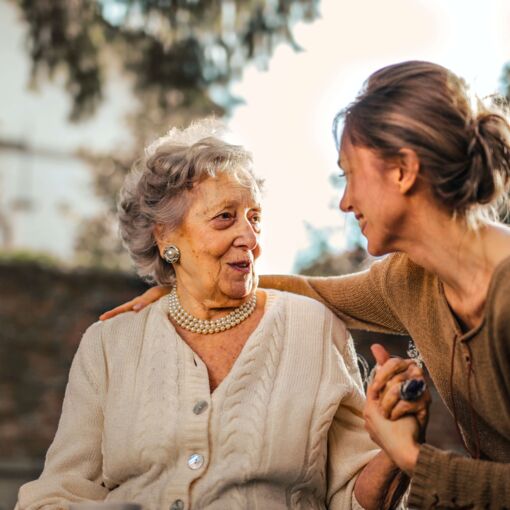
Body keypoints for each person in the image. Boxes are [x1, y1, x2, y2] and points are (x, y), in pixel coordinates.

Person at [106, 61, 510, 508]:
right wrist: (189, 284)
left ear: (402, 171)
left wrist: (411, 456)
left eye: (349, 173)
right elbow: (313, 291)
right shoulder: (409, 281)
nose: (345, 201)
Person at [16, 120, 413, 510]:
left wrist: (396, 451)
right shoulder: (108, 344)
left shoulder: (314, 328)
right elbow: (58, 493)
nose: (251, 238)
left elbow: (353, 497)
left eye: (254, 217)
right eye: (225, 217)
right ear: (165, 236)